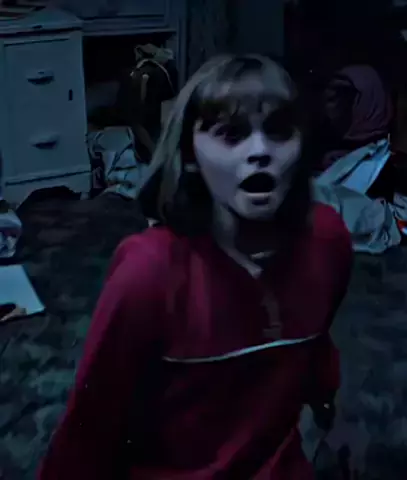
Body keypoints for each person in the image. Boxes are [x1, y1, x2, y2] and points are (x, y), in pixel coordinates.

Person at [38, 54, 353, 480]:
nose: (260, 151)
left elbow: (316, 350)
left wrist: (329, 408)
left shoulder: (328, 241)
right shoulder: (149, 271)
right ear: (189, 154)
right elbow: (89, 426)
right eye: (231, 134)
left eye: (279, 131)